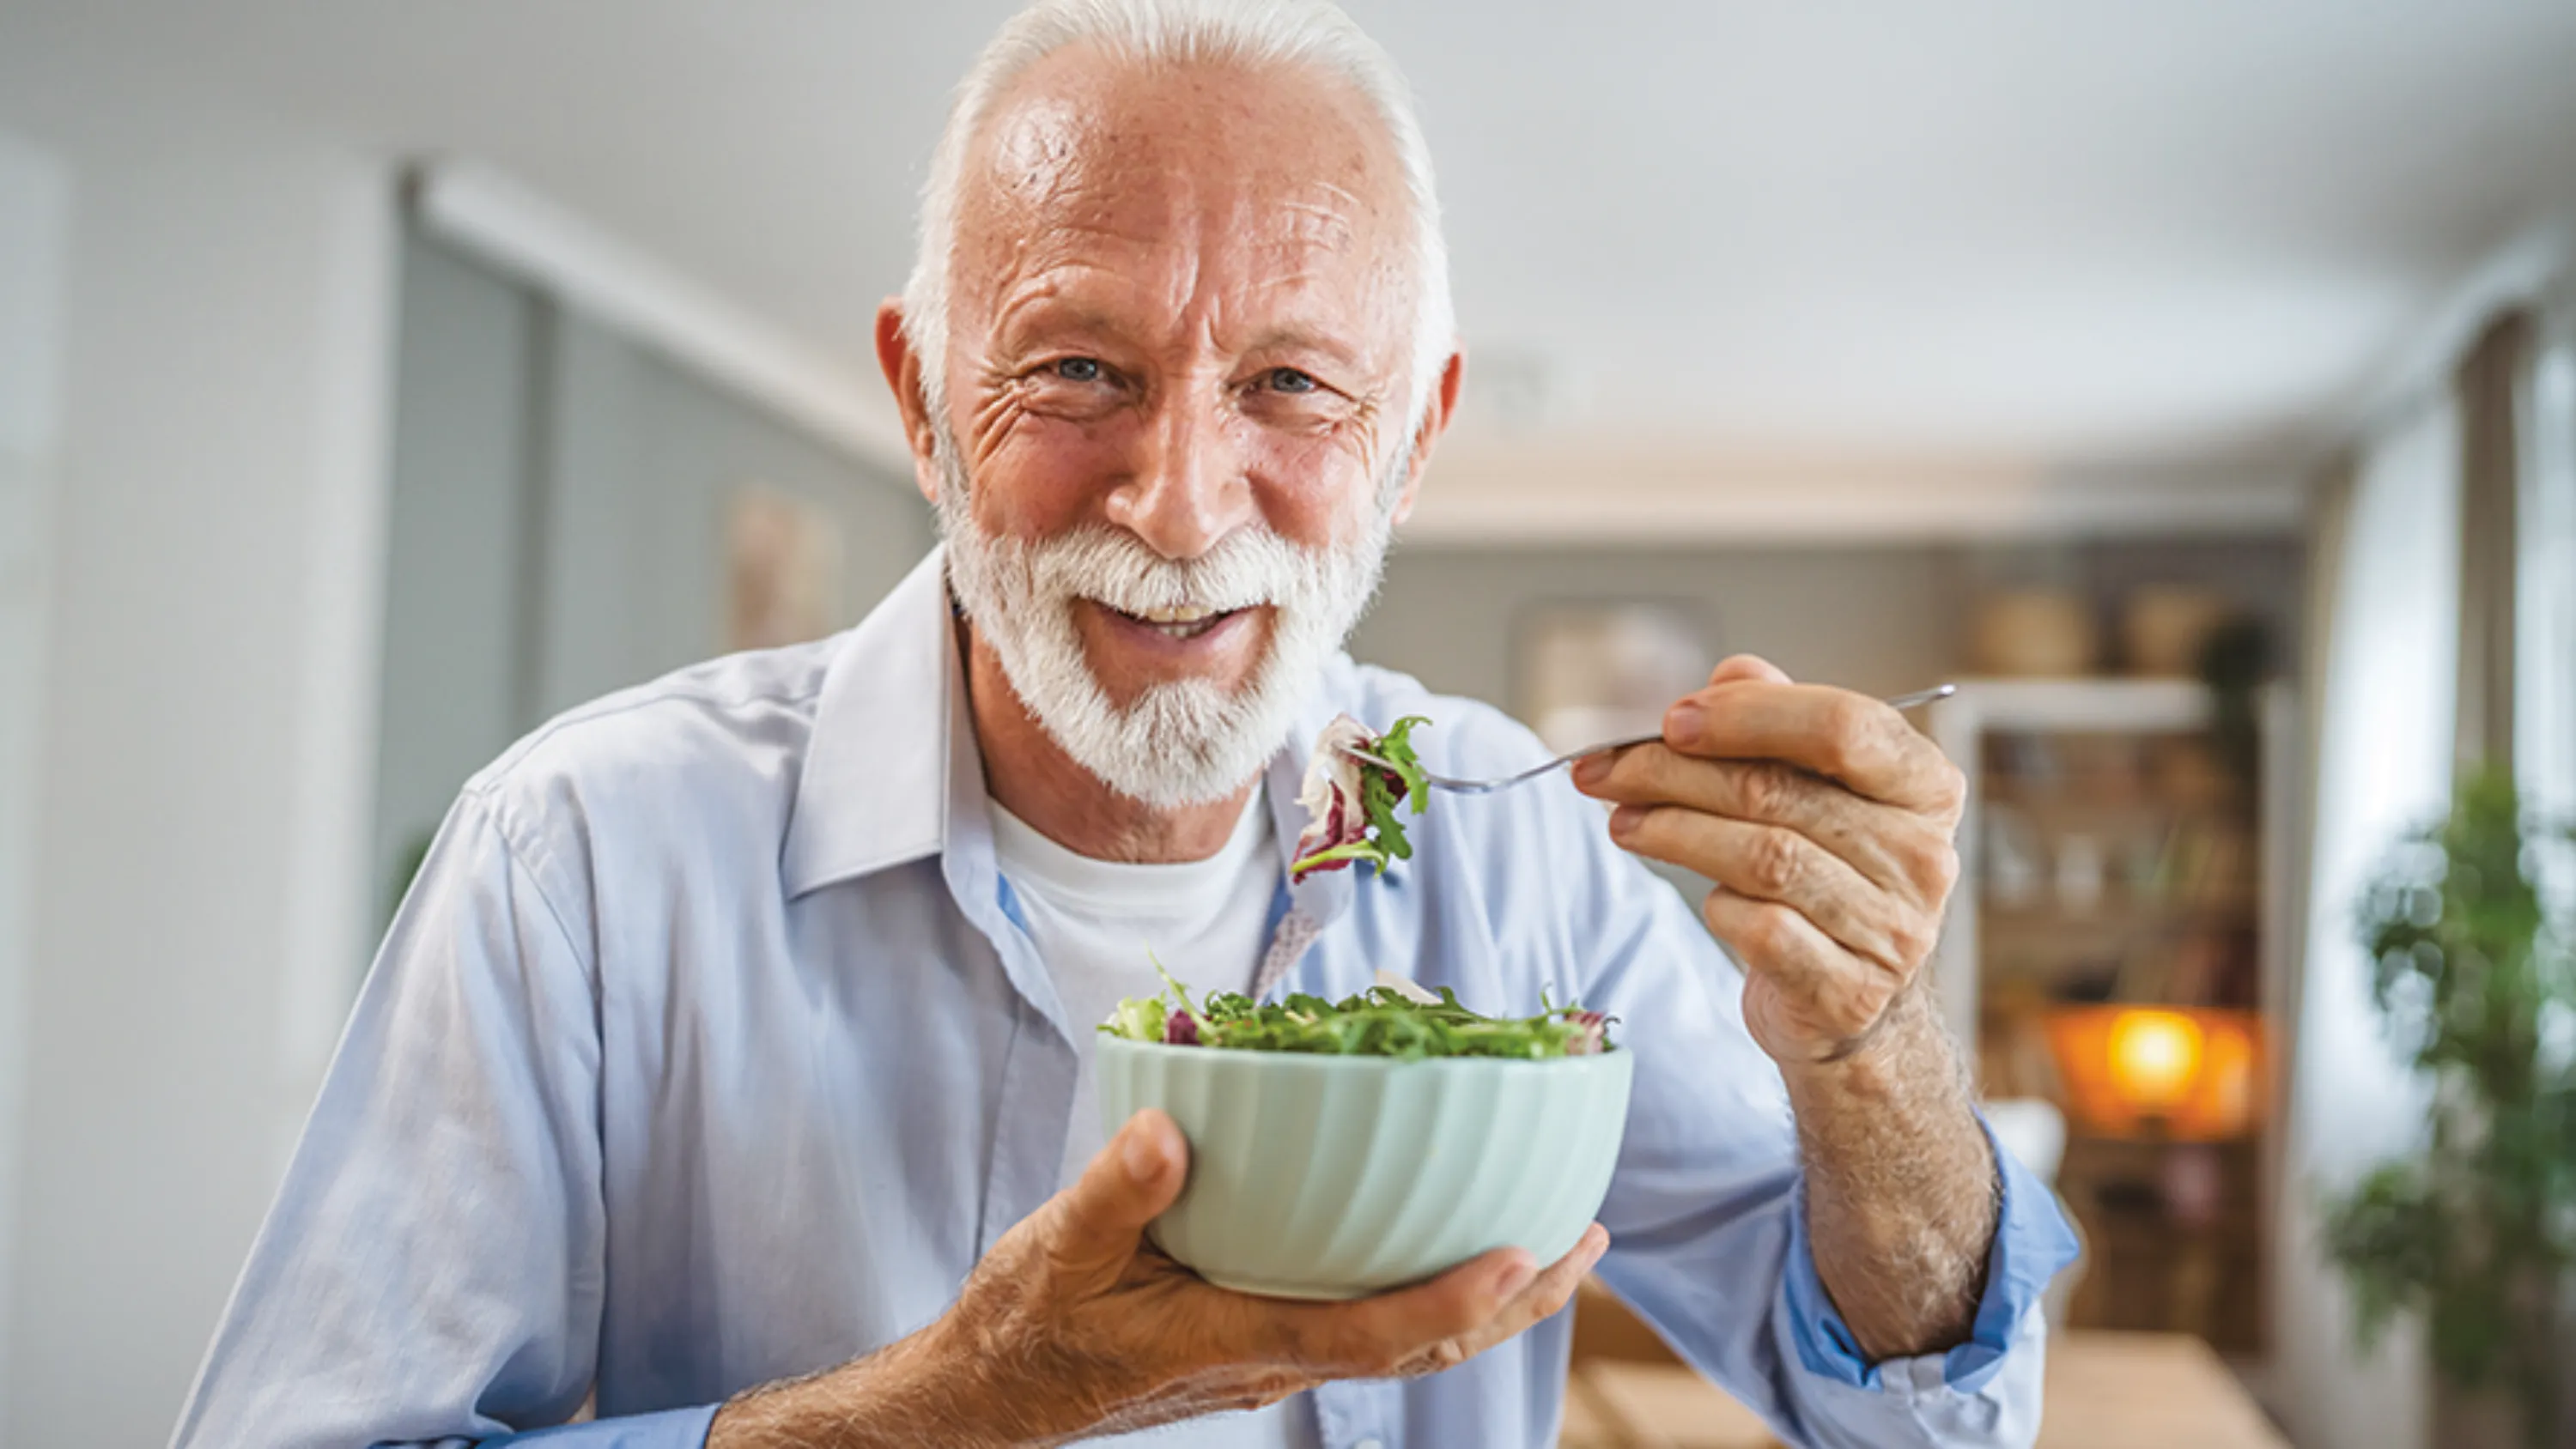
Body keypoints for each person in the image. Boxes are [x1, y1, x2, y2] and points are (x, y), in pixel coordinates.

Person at [173, 3, 2075, 1446]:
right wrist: (958, 1403)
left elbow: (1913, 1403)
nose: (1179, 502)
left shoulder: (1520, 856)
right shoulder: (581, 863)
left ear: (1413, 432)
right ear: (923, 400)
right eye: (1082, 368)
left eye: (1294, 386)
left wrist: (1871, 1044)